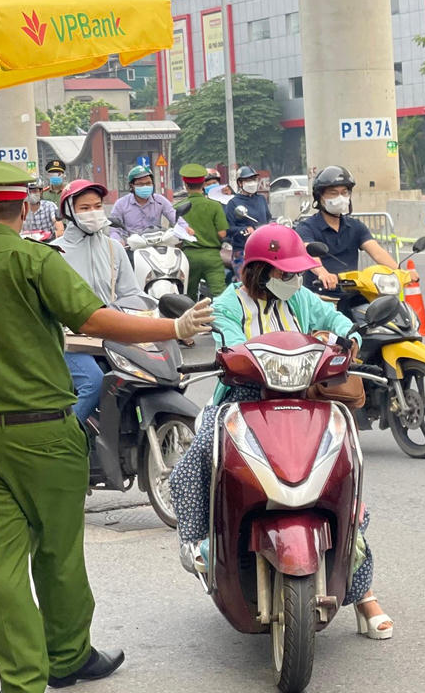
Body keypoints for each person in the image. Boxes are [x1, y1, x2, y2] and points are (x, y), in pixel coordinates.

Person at [0, 160, 215, 693]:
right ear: (23, 207)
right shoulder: (32, 259)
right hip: (43, 431)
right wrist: (173, 327)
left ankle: (22, 688)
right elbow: (94, 319)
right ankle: (68, 659)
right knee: (59, 550)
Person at [167, 224, 393, 640]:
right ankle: (199, 546)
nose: (294, 280)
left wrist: (353, 340)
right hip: (241, 400)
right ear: (258, 271)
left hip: (305, 398)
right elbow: (230, 344)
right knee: (189, 468)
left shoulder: (303, 297)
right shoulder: (229, 304)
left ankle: (363, 595)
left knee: (345, 484)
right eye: (285, 273)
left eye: (295, 273)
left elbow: (338, 323)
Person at [55, 179, 145, 431]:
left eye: (97, 206)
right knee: (93, 383)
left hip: (111, 334)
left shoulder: (114, 248)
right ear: (69, 212)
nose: (93, 212)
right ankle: (65, 438)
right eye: (84, 208)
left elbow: (131, 295)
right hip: (70, 338)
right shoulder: (54, 252)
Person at [296, 165, 399, 300]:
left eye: (344, 192)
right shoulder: (307, 227)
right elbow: (308, 252)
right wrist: (323, 273)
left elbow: (377, 252)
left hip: (352, 294)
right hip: (320, 297)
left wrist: (400, 272)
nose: (340, 197)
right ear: (320, 197)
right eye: (333, 193)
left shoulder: (355, 226)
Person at [176, 163, 229, 299]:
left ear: (185, 185)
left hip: (189, 257)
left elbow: (174, 235)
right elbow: (222, 233)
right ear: (203, 184)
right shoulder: (215, 206)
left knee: (188, 297)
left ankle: (190, 320)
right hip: (212, 257)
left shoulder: (177, 207)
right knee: (220, 296)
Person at [109, 165, 184, 243]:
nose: (145, 186)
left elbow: (174, 216)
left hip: (156, 244)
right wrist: (117, 241)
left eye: (148, 183)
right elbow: (114, 230)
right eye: (140, 184)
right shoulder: (121, 204)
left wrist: (185, 228)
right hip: (132, 247)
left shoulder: (159, 201)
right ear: (132, 185)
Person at [225, 166, 271, 270]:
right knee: (244, 283)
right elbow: (228, 229)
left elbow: (268, 219)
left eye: (254, 179)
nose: (252, 183)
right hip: (242, 250)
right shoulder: (233, 203)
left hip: (263, 248)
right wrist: (245, 229)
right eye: (248, 180)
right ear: (240, 183)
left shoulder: (261, 199)